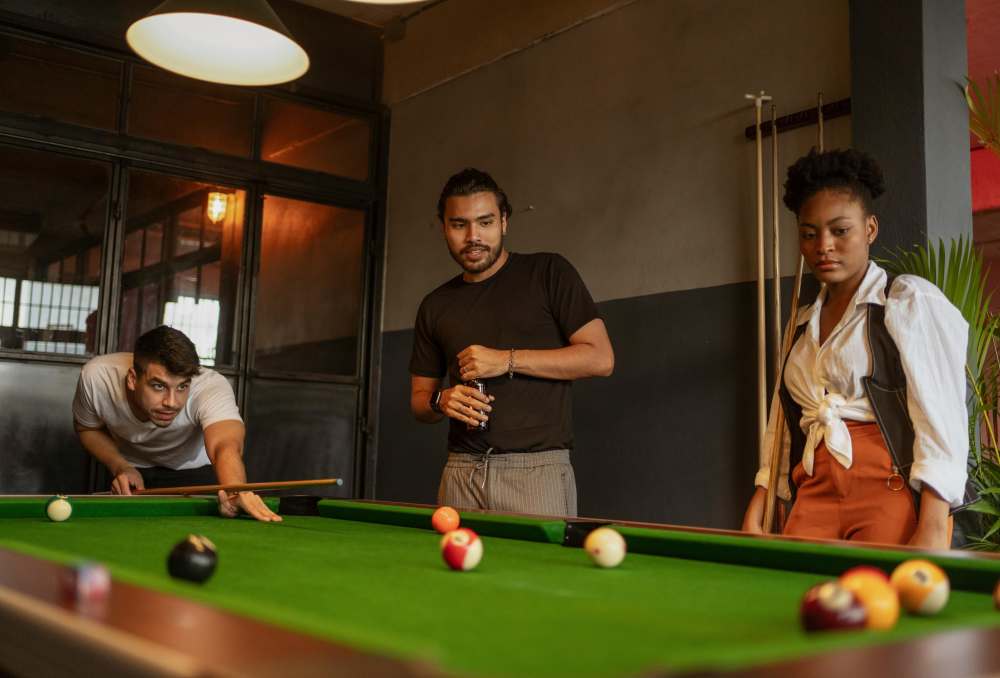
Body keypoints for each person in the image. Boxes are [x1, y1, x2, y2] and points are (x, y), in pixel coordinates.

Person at [742, 149, 968, 549]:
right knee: (798, 601)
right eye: (810, 234)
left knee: (880, 606)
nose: (823, 246)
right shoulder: (801, 324)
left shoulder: (907, 301)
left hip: (887, 493)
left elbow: (942, 418)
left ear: (870, 228)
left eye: (840, 231)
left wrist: (933, 523)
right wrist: (764, 492)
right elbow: (782, 421)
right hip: (812, 492)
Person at [409, 168, 614, 516]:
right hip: (460, 472)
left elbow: (600, 359)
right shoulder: (435, 305)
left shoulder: (549, 272)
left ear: (504, 222)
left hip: (536, 472)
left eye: (485, 222)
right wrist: (441, 399)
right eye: (459, 224)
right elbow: (418, 402)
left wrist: (506, 360)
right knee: (450, 572)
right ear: (443, 226)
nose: (473, 236)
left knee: (540, 573)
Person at [73, 325, 281, 522]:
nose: (171, 402)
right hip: (130, 472)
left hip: (196, 474)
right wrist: (120, 466)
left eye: (182, 387)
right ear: (132, 379)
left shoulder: (210, 387)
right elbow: (88, 428)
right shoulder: (97, 378)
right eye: (158, 386)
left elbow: (223, 447)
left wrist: (236, 490)